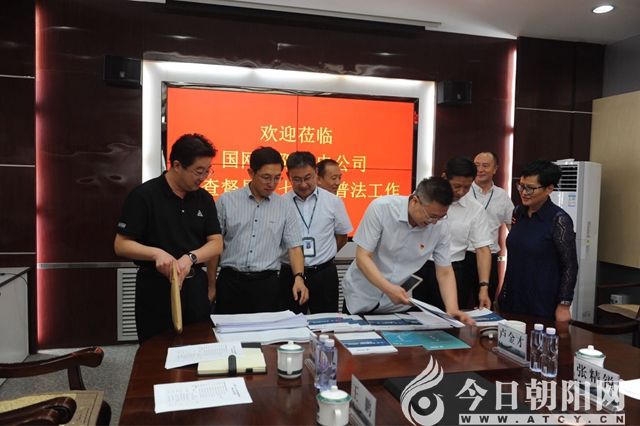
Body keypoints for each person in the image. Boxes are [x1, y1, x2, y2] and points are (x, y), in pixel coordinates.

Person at [114, 133, 223, 342]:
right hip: (155, 288)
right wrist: (156, 253)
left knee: (198, 346)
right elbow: (121, 244)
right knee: (155, 349)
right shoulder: (144, 195)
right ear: (177, 165)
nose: (203, 177)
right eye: (198, 171)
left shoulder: (204, 199)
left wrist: (190, 258)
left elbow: (216, 243)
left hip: (194, 288)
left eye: (207, 171)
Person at [341, 176, 473, 325]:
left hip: (397, 304)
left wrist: (452, 308)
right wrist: (389, 289)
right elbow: (363, 257)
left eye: (441, 217)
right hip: (361, 296)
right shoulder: (382, 208)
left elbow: (445, 271)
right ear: (415, 201)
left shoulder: (440, 227)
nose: (434, 222)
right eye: (432, 216)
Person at [209, 146, 309, 314]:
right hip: (231, 281)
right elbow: (214, 247)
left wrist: (299, 277)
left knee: (266, 329)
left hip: (266, 284)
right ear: (251, 173)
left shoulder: (285, 206)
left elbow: (294, 247)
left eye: (277, 178)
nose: (272, 184)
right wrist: (211, 285)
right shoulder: (227, 201)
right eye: (266, 177)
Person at [498, 160, 578, 321]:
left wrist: (564, 304)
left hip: (541, 298)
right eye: (521, 186)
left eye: (530, 188)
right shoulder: (518, 212)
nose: (524, 192)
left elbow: (570, 265)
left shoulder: (559, 220)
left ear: (549, 188)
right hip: (513, 294)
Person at [413, 157, 492, 310]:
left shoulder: (475, 209)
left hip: (454, 271)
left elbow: (483, 249)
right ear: (444, 177)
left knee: (452, 316)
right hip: (419, 267)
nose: (461, 192)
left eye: (467, 187)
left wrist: (484, 287)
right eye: (456, 186)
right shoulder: (422, 199)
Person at [279, 152, 353, 313]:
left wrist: (325, 254)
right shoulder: (281, 203)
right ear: (288, 176)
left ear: (316, 173)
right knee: (289, 322)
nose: (303, 184)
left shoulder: (333, 201)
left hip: (324, 274)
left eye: (308, 178)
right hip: (290, 274)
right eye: (297, 179)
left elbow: (342, 237)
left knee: (327, 323)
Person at [467, 151, 514, 303]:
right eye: (476, 165)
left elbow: (513, 227)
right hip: (463, 257)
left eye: (485, 166)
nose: (480, 170)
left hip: (490, 258)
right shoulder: (464, 191)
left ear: (495, 169)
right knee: (460, 304)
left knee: (485, 304)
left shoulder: (502, 196)